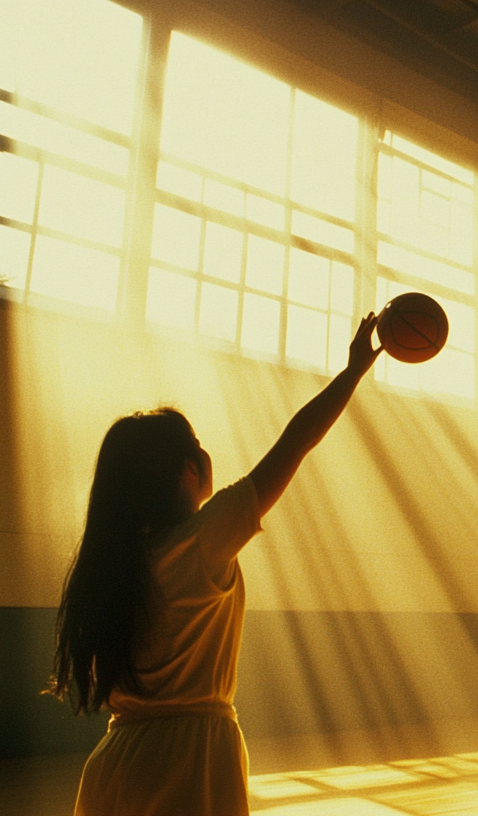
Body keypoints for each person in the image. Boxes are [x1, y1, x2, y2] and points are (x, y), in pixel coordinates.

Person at [49, 314, 383, 816]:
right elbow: (297, 441)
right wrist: (353, 372)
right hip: (188, 761)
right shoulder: (202, 540)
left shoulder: (116, 563)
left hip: (115, 762)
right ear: (188, 468)